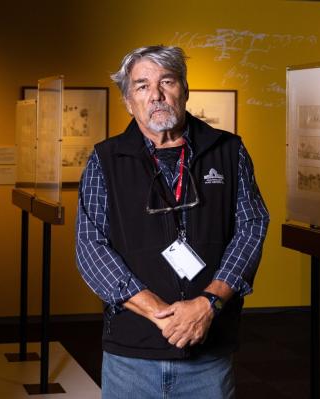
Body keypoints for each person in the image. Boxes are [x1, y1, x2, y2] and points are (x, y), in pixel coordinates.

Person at [75, 45, 269, 398]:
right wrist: (158, 312)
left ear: (185, 89)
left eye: (167, 81)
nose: (157, 95)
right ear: (128, 100)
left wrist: (207, 304)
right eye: (142, 86)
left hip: (208, 353)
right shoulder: (105, 160)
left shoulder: (228, 150)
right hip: (131, 356)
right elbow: (90, 246)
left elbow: (252, 227)